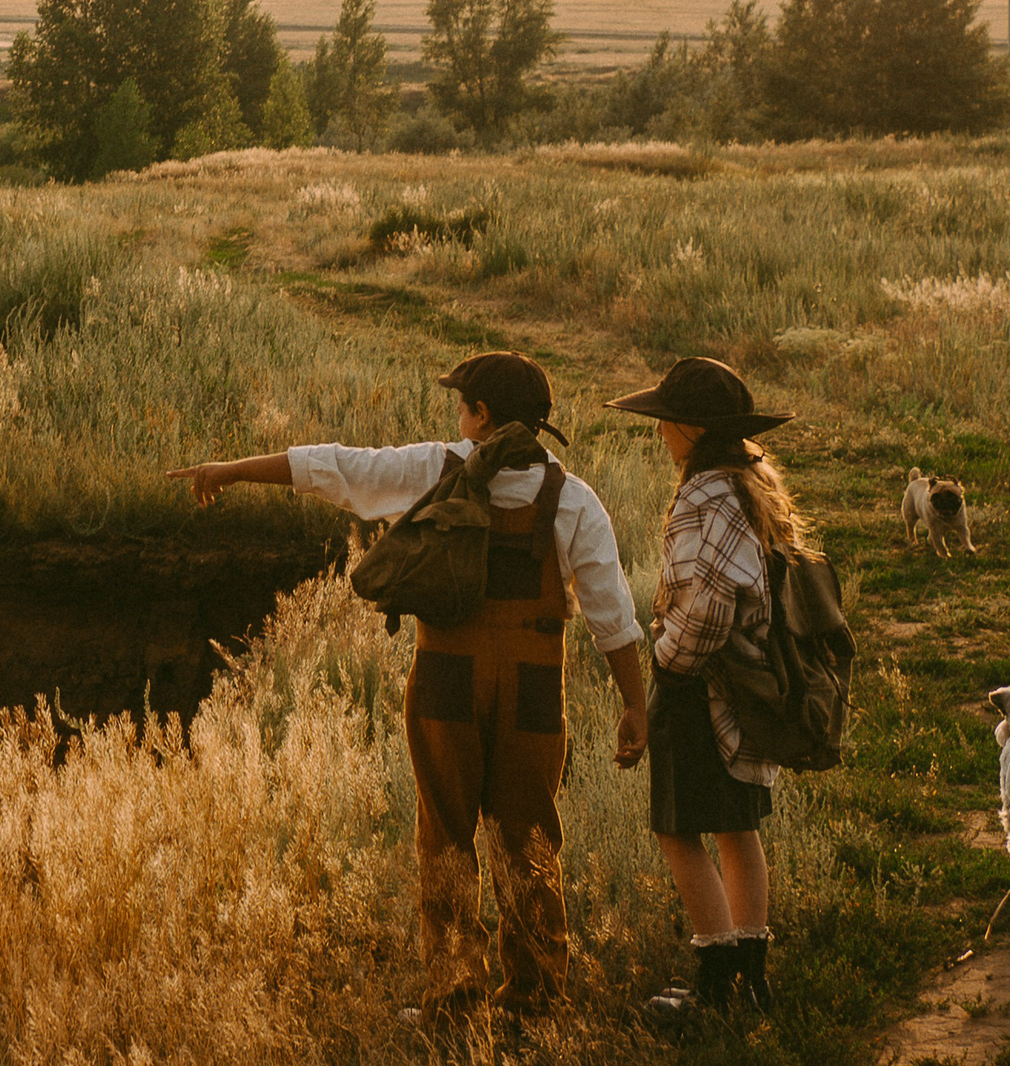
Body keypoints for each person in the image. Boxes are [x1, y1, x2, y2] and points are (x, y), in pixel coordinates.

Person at [170, 351, 649, 1020]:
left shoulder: (436, 470)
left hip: (447, 676)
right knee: (530, 836)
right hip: (535, 688)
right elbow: (613, 617)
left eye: (463, 404)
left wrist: (232, 469)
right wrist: (634, 702)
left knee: (446, 831)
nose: (457, 415)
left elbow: (337, 467)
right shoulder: (573, 498)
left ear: (480, 415)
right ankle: (538, 994)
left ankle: (456, 993)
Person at [603, 356, 807, 1017]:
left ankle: (715, 980)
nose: (660, 433)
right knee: (737, 826)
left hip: (701, 686)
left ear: (690, 427)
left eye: (666, 421)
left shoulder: (706, 495)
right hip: (749, 683)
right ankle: (754, 974)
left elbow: (710, 605)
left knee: (679, 828)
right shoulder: (752, 486)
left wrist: (667, 663)